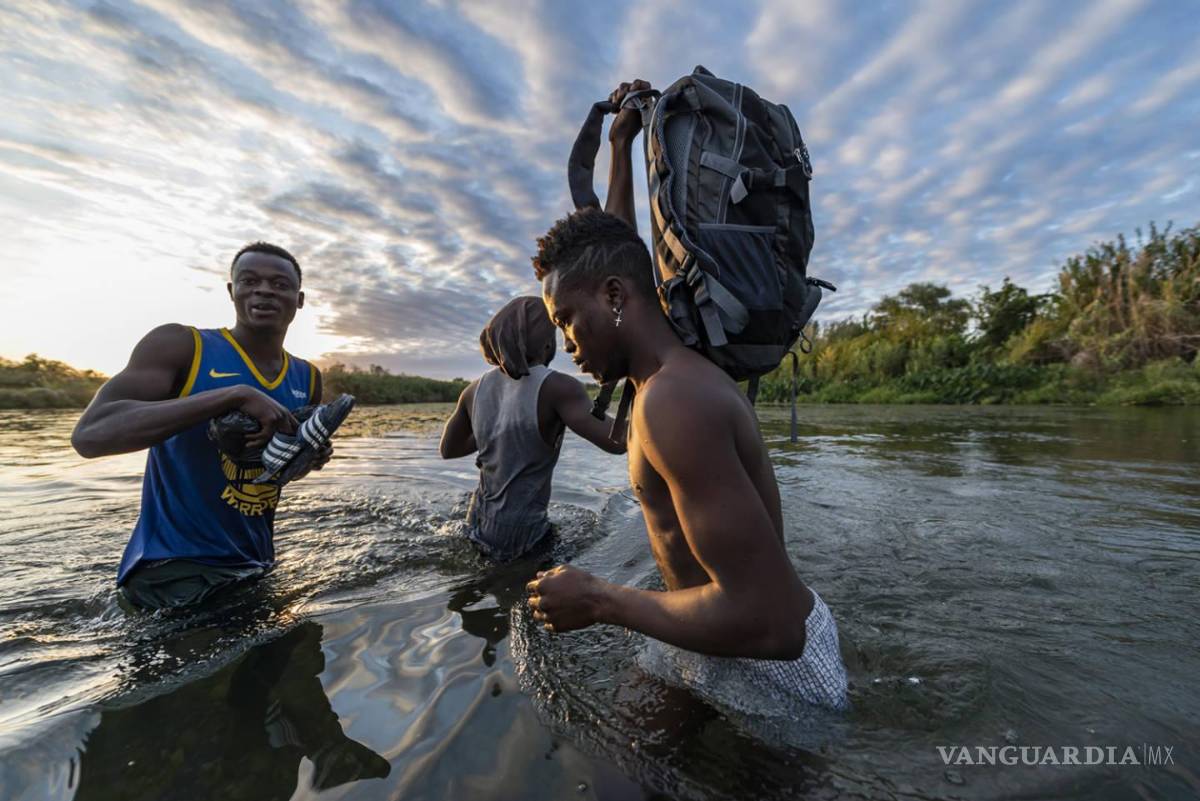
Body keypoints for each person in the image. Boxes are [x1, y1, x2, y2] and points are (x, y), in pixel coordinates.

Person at [524, 81, 849, 711]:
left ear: (614, 300)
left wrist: (599, 599)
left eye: (566, 320)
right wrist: (621, 147)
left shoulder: (672, 403)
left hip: (774, 671)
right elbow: (619, 254)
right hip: (717, 636)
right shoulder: (662, 371)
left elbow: (774, 626)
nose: (565, 342)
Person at [71, 242, 331, 610]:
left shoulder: (307, 377)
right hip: (172, 568)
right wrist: (232, 396)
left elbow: (273, 472)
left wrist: (307, 456)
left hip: (254, 563)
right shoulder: (183, 346)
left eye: (280, 284)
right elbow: (89, 436)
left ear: (299, 299)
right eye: (250, 281)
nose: (264, 291)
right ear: (231, 291)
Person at [439, 296, 626, 562]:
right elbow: (618, 441)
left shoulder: (472, 391)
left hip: (476, 521)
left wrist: (495, 431)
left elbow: (449, 449)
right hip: (522, 533)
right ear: (548, 343)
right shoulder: (557, 387)